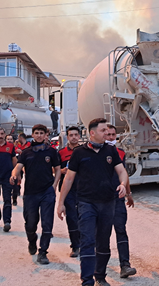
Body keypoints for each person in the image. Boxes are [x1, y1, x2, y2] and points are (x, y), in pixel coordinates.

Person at [57, 118, 129, 286]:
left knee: (103, 242)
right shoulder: (79, 153)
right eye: (103, 131)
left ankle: (100, 276)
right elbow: (68, 179)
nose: (107, 134)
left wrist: (123, 184)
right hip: (86, 203)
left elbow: (122, 171)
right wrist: (60, 203)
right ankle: (87, 280)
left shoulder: (111, 151)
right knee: (88, 241)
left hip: (108, 203)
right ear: (92, 133)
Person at [10, 124, 60, 265]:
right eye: (36, 132)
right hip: (31, 193)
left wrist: (54, 185)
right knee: (30, 223)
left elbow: (57, 169)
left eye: (41, 133)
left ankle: (43, 252)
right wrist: (14, 175)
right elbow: (18, 167)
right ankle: (32, 240)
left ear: (45, 135)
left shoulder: (51, 152)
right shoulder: (27, 152)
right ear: (33, 134)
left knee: (47, 223)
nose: (39, 135)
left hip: (47, 193)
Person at [105, 124, 136, 278]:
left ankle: (125, 265)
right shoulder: (95, 153)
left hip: (117, 199)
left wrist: (128, 193)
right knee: (101, 234)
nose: (111, 138)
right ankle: (99, 268)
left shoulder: (121, 153)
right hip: (99, 201)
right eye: (108, 134)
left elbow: (124, 174)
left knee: (121, 230)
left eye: (113, 135)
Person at [58, 126, 82, 258]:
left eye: (76, 135)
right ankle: (75, 246)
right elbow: (54, 170)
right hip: (68, 190)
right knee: (72, 218)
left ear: (79, 137)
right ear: (67, 137)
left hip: (83, 188)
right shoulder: (61, 153)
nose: (73, 137)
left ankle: (86, 244)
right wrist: (62, 171)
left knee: (84, 217)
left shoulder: (85, 151)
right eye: (71, 135)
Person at [12, 132, 31, 205]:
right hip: (18, 164)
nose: (17, 139)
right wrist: (15, 144)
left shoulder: (29, 145)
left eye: (18, 137)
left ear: (21, 138)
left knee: (28, 180)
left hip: (27, 165)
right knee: (16, 180)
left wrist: (22, 152)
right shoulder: (18, 145)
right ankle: (14, 198)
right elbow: (13, 151)